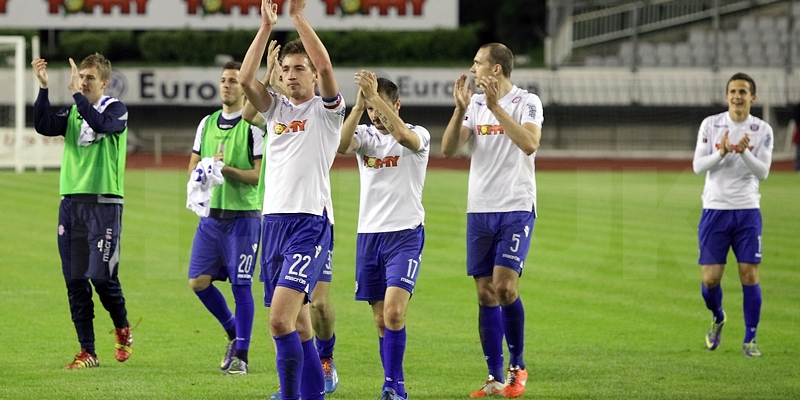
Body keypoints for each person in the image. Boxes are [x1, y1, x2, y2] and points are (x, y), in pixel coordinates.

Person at [239, 1, 344, 399]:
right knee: (299, 327)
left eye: (299, 68)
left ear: (313, 74)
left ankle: (288, 395)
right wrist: (267, 25)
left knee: (279, 322)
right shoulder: (275, 110)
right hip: (274, 224)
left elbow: (329, 68)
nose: (291, 74)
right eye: (285, 69)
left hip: (309, 224)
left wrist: (298, 18)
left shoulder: (327, 111)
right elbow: (249, 78)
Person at [441, 43, 542, 399]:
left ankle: (518, 367)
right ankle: (493, 376)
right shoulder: (475, 105)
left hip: (515, 206)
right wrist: (459, 111)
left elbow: (529, 143)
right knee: (485, 294)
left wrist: (497, 108)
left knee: (504, 287)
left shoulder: (527, 101)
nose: (473, 68)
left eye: (478, 63)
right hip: (479, 209)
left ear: (496, 69)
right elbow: (449, 149)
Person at [32, 53, 133, 369]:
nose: (84, 82)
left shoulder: (116, 110)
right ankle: (87, 351)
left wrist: (76, 93)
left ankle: (122, 328)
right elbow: (43, 125)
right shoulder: (74, 112)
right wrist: (44, 88)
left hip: (104, 205)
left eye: (90, 78)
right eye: (82, 77)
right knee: (75, 281)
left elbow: (100, 123)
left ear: (104, 82)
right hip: (71, 205)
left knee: (101, 279)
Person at [338, 73, 430, 400]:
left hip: (404, 235)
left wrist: (374, 97)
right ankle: (391, 382)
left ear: (397, 105)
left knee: (393, 312)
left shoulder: (418, 135)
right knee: (380, 320)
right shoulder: (366, 134)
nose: (375, 116)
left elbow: (403, 135)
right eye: (372, 110)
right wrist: (359, 106)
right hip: (369, 238)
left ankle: (395, 387)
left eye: (381, 108)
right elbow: (342, 145)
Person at [187, 61, 264, 375]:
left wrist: (226, 170)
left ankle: (242, 357)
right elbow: (192, 165)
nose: (226, 85)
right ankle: (233, 332)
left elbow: (257, 176)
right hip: (211, 219)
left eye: (233, 80)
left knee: (241, 286)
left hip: (243, 219)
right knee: (198, 281)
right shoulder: (206, 123)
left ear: (243, 88)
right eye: (223, 80)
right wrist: (206, 167)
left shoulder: (253, 127)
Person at [693, 72, 773, 357]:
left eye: (743, 92)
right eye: (733, 91)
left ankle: (750, 340)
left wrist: (743, 152)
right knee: (710, 279)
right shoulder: (711, 124)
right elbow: (698, 166)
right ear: (727, 96)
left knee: (749, 274)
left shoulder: (762, 129)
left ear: (753, 97)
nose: (737, 96)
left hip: (748, 210)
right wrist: (723, 152)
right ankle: (718, 317)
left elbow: (763, 172)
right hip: (715, 208)